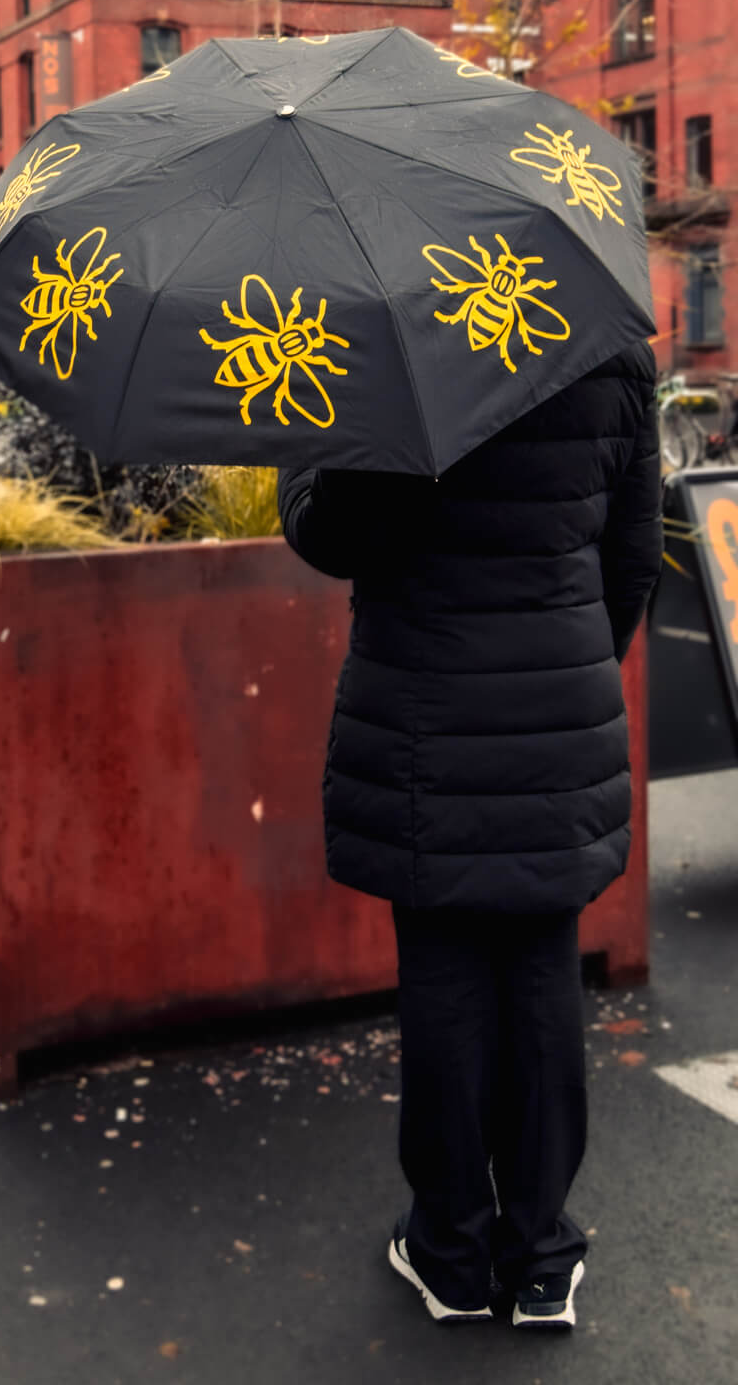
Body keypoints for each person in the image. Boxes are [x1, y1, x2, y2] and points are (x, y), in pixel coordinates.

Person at [278, 340, 663, 1331]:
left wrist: (302, 441)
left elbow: (336, 534)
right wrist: (564, 660)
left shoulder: (388, 346)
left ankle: (450, 1251)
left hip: (423, 721)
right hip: (556, 718)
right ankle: (540, 1255)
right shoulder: (609, 348)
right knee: (540, 975)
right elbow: (630, 558)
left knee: (445, 978)